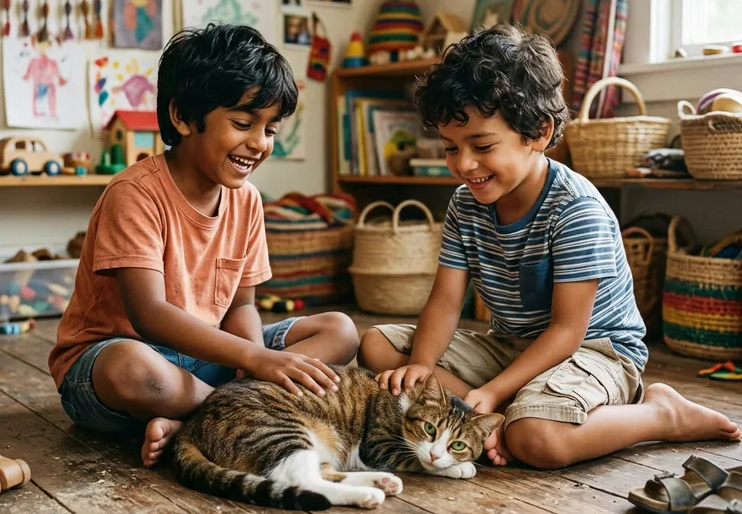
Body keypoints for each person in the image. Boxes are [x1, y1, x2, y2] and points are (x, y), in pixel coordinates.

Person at [358, 24, 740, 469]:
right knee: (378, 347)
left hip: (596, 352)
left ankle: (659, 415)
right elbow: (445, 302)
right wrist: (423, 365)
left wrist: (494, 389)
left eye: (482, 145)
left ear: (538, 133)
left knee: (535, 440)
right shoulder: (466, 205)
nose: (464, 164)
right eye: (450, 148)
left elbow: (566, 332)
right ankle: (492, 414)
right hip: (514, 345)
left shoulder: (576, 209)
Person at [49, 24, 360, 466]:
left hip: (211, 360)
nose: (259, 143)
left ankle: (206, 415)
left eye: (271, 129)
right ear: (182, 117)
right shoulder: (134, 193)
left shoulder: (247, 199)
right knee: (131, 368)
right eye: (242, 123)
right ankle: (231, 411)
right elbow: (150, 315)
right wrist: (255, 361)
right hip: (114, 366)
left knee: (340, 331)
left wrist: (252, 363)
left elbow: (241, 308)